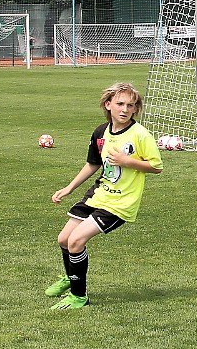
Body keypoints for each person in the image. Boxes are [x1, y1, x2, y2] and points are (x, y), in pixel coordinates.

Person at [45, 82, 163, 310]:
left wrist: (128, 161)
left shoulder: (140, 135)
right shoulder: (101, 132)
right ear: (108, 105)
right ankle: (71, 278)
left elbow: (156, 166)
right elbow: (93, 164)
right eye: (119, 103)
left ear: (135, 109)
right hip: (98, 195)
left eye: (130, 105)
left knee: (76, 241)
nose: (125, 109)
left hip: (121, 202)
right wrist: (69, 188)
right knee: (64, 239)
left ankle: (79, 296)